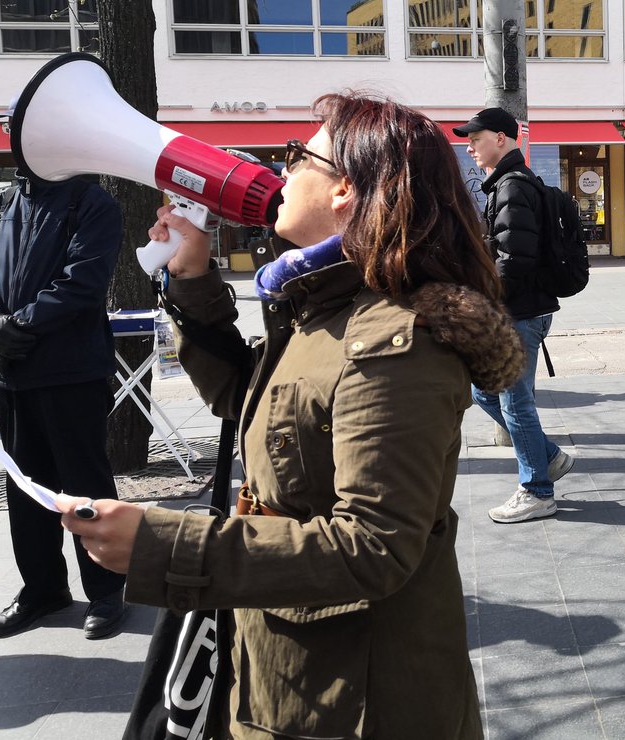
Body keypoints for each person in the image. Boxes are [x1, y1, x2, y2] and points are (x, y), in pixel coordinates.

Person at [59, 94, 525, 738]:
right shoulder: (321, 309)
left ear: (346, 191)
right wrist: (192, 276)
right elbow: (249, 406)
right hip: (295, 668)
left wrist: (162, 545)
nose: (283, 172)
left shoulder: (394, 340)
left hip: (357, 697)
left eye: (298, 156)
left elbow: (374, 545)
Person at [0, 166, 127, 642]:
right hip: (12, 374)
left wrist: (19, 326)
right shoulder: (12, 200)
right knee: (26, 489)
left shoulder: (91, 202)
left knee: (85, 484)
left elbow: (83, 281)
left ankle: (108, 590)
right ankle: (43, 590)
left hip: (72, 370)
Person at [453, 106, 574, 524]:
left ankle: (537, 491)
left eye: (476, 138)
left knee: (515, 402)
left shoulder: (511, 187)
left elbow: (513, 261)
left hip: (519, 312)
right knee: (485, 392)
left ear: (501, 139)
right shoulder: (510, 183)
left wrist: (480, 300)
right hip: (526, 309)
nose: (468, 146)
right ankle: (550, 458)